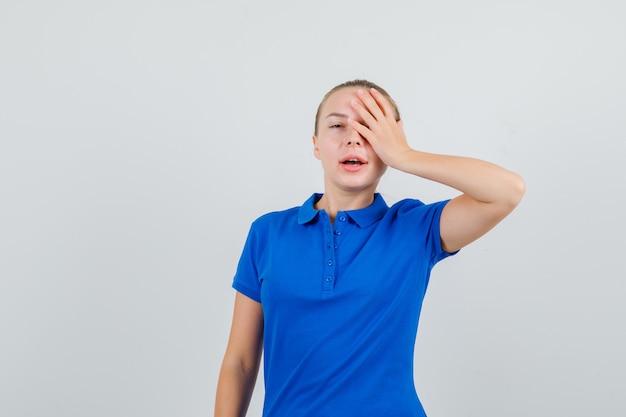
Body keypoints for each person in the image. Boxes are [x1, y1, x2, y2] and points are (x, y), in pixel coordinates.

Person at [214, 79, 525, 417]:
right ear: (316, 145)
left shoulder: (414, 228)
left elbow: (507, 191)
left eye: (369, 127)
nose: (353, 138)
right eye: (337, 125)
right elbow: (240, 363)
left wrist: (405, 155)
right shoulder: (268, 233)